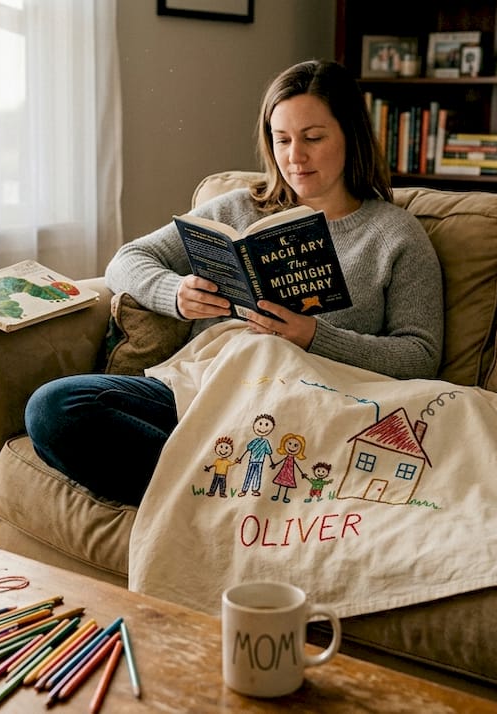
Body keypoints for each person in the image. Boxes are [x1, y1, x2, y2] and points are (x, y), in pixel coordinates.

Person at [25, 59, 443, 507]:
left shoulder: (394, 234)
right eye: (281, 140)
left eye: (313, 138)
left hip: (308, 406)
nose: (294, 157)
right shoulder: (237, 208)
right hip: (203, 392)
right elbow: (127, 260)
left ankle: (219, 491)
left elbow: (420, 354)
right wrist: (177, 295)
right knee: (54, 409)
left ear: (351, 136)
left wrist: (314, 336)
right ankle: (229, 493)